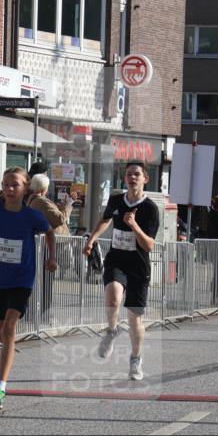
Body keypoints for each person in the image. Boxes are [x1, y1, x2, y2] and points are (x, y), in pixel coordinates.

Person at [0, 167, 56, 410]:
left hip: (22, 279)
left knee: (11, 328)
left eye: (14, 185)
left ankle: (0, 387)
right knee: (3, 333)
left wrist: (52, 257)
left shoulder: (31, 215)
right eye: (5, 185)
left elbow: (50, 232)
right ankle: (7, 357)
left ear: (26, 188)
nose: (9, 189)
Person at [83, 162, 160, 380]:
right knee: (114, 296)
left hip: (138, 265)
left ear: (145, 179)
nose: (132, 178)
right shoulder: (117, 200)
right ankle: (111, 330)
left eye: (137, 174)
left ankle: (135, 360)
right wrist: (91, 240)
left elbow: (149, 246)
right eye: (128, 174)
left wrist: (134, 226)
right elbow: (105, 220)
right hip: (117, 259)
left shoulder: (150, 209)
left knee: (135, 319)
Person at [28, 173, 78, 320]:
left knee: (44, 281)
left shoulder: (36, 200)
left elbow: (56, 213)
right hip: (46, 245)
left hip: (43, 244)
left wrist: (66, 203)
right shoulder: (40, 201)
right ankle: (43, 314)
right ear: (44, 187)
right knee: (46, 282)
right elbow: (59, 219)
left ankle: (39, 313)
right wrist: (68, 204)